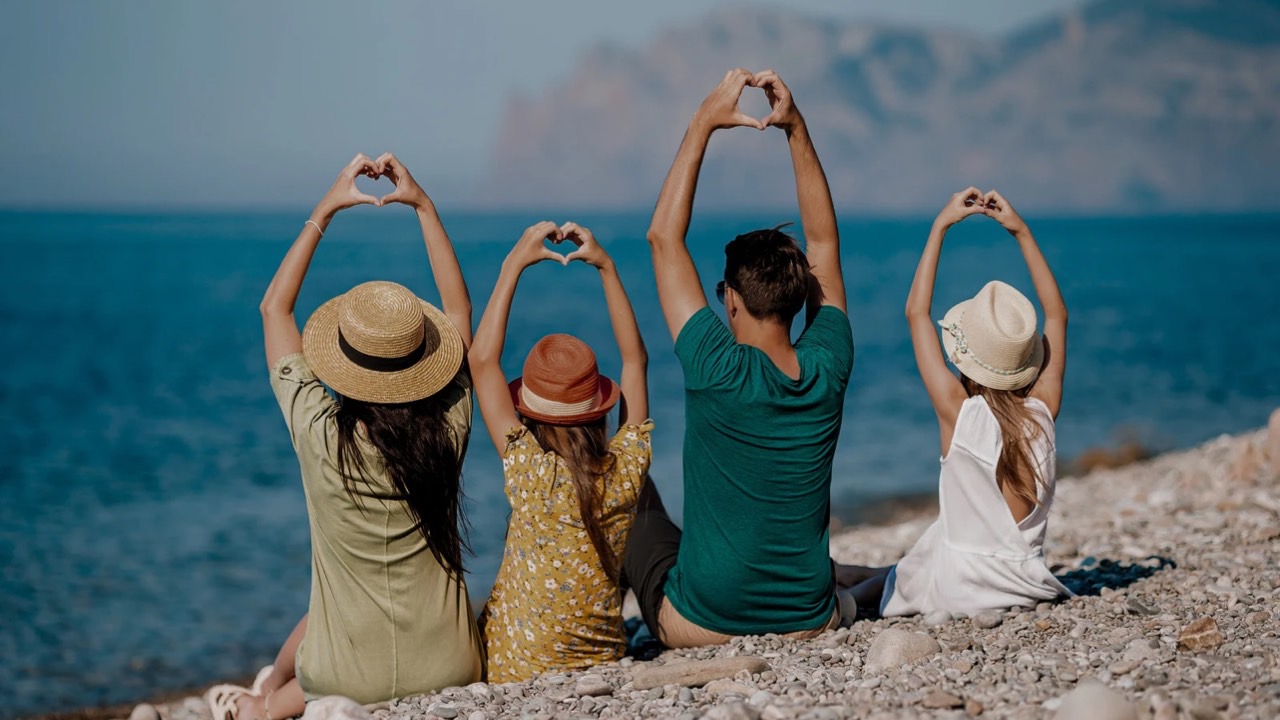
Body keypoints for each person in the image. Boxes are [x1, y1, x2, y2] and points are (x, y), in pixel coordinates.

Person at [207, 153, 483, 720]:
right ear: (420, 362)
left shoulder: (318, 432)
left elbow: (274, 308)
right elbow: (458, 310)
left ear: (343, 366)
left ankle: (259, 706)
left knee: (325, 632)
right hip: (452, 665)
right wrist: (424, 207)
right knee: (330, 625)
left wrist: (326, 209)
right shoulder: (448, 426)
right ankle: (264, 698)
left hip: (344, 675)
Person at [620, 68, 853, 647]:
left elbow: (663, 239)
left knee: (635, 500)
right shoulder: (828, 364)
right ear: (801, 295)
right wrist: (796, 128)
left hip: (702, 624)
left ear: (729, 299)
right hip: (810, 617)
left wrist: (703, 123)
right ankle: (852, 590)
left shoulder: (715, 367)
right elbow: (824, 243)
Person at [837, 188, 1073, 617]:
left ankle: (848, 593)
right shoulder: (1043, 411)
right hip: (1024, 582)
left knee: (918, 564)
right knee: (927, 552)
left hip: (958, 587)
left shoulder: (960, 414)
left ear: (967, 359)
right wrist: (1021, 232)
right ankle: (859, 575)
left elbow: (916, 313)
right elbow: (1057, 315)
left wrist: (940, 227)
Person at [469, 221, 652, 681]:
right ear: (598, 408)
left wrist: (514, 263)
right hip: (604, 659)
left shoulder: (531, 471)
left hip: (513, 667)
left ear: (528, 411)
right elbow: (635, 360)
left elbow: (482, 361)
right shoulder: (627, 469)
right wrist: (607, 268)